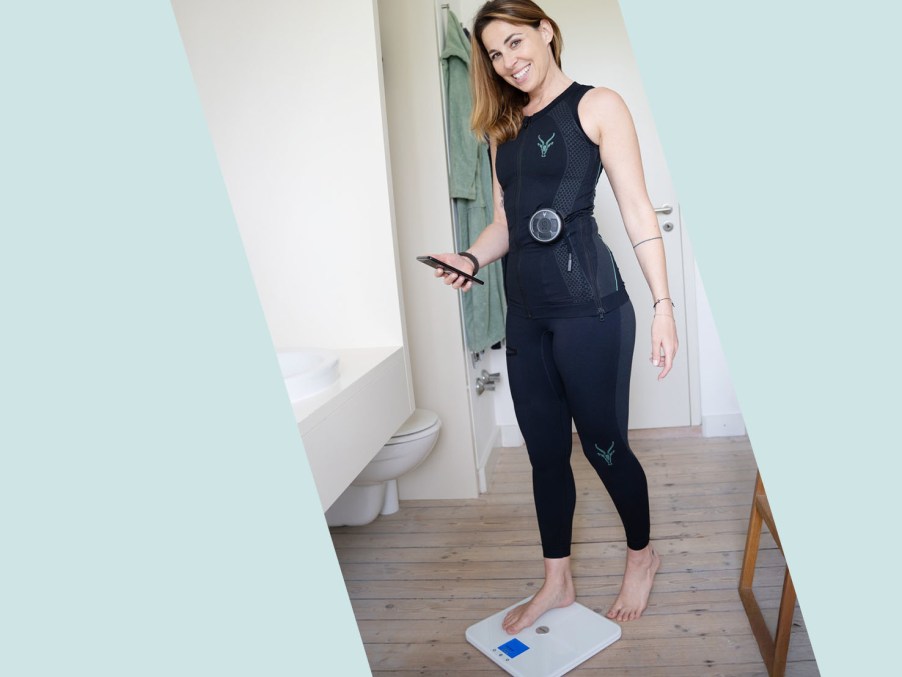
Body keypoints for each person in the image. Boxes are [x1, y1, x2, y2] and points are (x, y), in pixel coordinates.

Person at [431, 0, 678, 633]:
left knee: (603, 447)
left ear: (545, 31)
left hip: (592, 311)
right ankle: (557, 583)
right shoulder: (501, 129)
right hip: (528, 317)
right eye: (494, 53)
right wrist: (469, 258)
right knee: (544, 454)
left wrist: (663, 305)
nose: (508, 61)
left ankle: (642, 556)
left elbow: (638, 211)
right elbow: (505, 225)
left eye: (516, 42)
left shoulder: (599, 106)